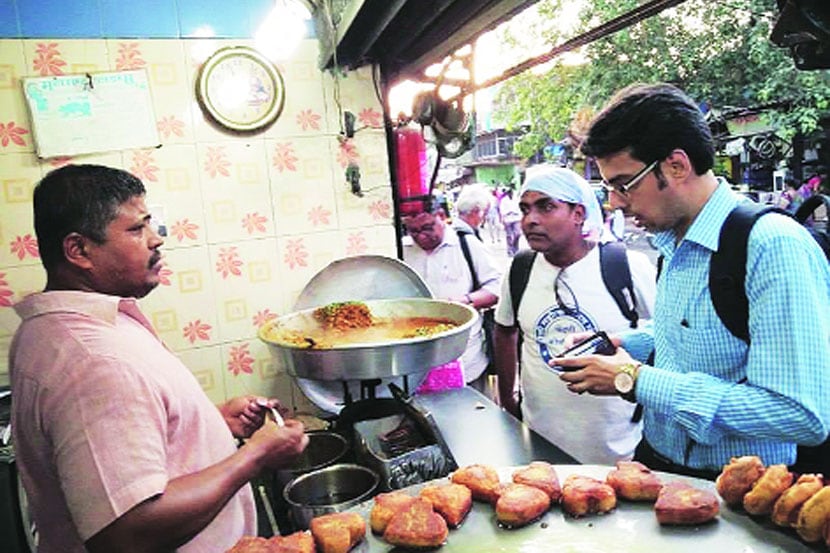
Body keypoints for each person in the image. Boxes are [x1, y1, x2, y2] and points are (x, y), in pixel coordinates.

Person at [9, 164, 309, 553]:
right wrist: (256, 456)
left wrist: (211, 423)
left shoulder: (59, 326)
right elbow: (127, 531)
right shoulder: (92, 360)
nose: (156, 240)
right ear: (79, 250)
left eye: (150, 224)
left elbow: (123, 440)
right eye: (136, 229)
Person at [559, 83, 830, 479]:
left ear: (676, 166)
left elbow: (801, 413)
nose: (615, 203)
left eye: (623, 184)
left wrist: (633, 380)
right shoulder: (673, 241)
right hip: (659, 468)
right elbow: (695, 335)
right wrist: (623, 344)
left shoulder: (772, 246)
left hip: (740, 493)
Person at [492, 166, 656, 465]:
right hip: (539, 445)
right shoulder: (520, 269)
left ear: (578, 214)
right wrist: (508, 400)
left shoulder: (627, 267)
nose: (530, 220)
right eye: (525, 209)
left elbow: (668, 337)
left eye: (546, 207)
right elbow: (504, 330)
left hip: (619, 449)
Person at [402, 198, 501, 391]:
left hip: (466, 358)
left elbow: (497, 288)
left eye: (427, 227)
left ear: (441, 216)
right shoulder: (404, 250)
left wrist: (464, 302)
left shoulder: (466, 244)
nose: (421, 236)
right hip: (419, 363)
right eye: (413, 231)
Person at [499, 189, 523, 256]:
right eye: (509, 193)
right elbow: (502, 210)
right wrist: (507, 213)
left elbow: (520, 208)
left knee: (517, 234)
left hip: (516, 218)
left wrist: (517, 213)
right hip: (508, 219)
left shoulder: (517, 199)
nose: (511, 194)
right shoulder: (504, 200)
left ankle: (515, 247)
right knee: (509, 235)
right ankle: (510, 250)